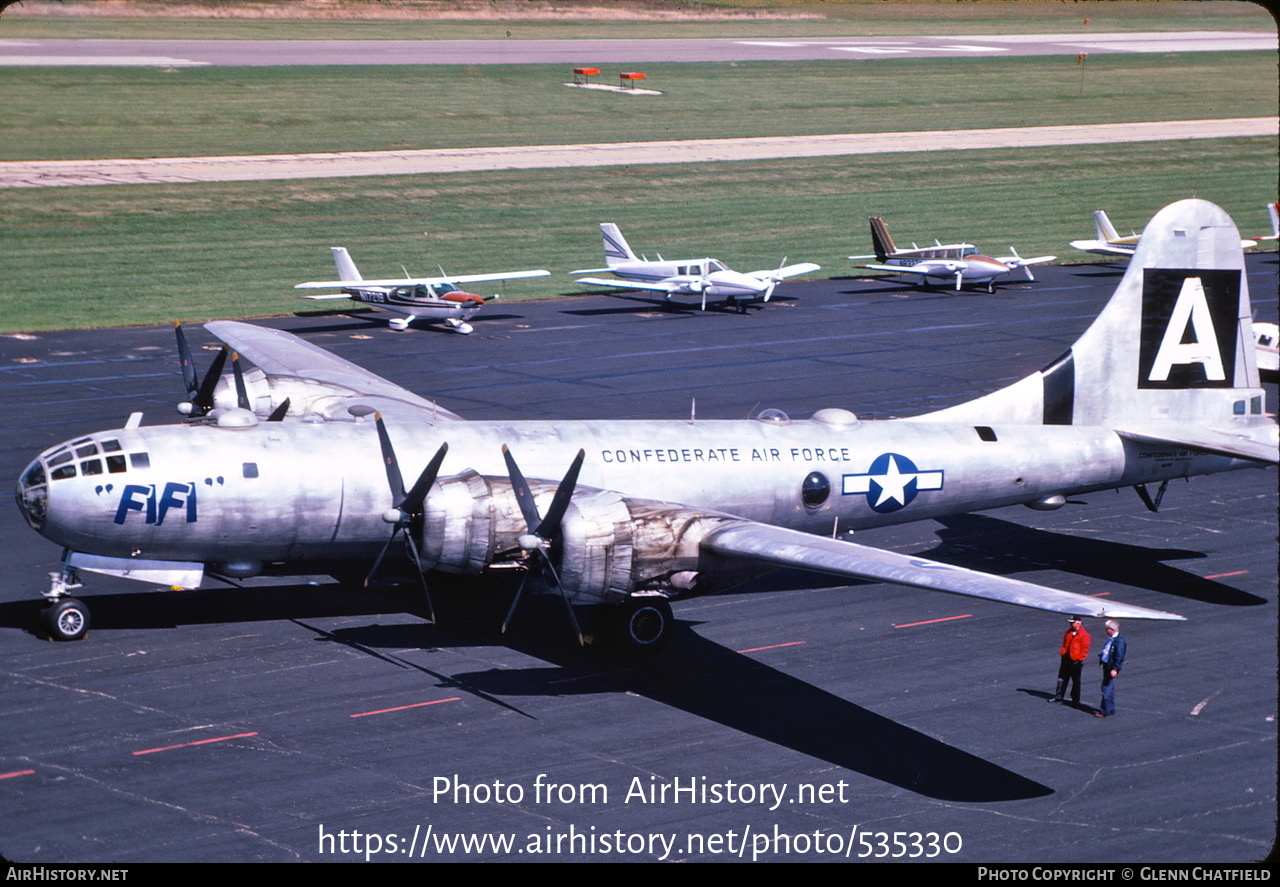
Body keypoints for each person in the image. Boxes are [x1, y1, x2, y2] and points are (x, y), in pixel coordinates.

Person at [1051, 616, 1090, 706]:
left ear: (1079, 623)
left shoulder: (1084, 635)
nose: (1071, 624)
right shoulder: (1069, 632)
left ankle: (1075, 700)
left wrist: (1079, 659)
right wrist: (1063, 653)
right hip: (1066, 658)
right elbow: (1065, 643)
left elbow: (1085, 649)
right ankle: (1059, 697)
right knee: (1061, 678)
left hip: (1076, 660)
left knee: (1076, 681)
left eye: (1073, 622)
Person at [1095, 620, 1126, 718]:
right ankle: (1110, 709)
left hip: (1110, 667)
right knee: (1109, 688)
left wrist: (1115, 668)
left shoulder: (1119, 641)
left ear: (1111, 629)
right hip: (1107, 665)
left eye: (1107, 629)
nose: (1105, 631)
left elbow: (1119, 656)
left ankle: (1105, 710)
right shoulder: (1112, 639)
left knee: (1106, 688)